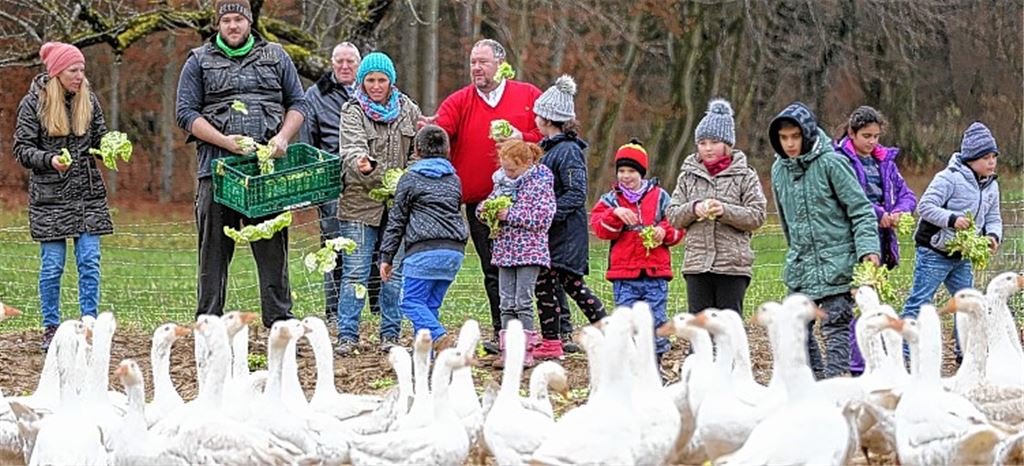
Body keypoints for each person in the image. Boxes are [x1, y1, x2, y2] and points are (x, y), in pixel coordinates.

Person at [176, 0, 306, 329]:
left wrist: (283, 138)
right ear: (218, 24)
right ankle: (208, 325)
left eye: (238, 19)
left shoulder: (276, 55)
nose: (233, 26)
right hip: (217, 171)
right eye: (226, 20)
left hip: (265, 174)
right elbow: (185, 113)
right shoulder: (198, 60)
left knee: (274, 253)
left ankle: (279, 323)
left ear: (249, 21)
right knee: (213, 254)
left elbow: (298, 103)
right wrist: (224, 141)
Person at [424, 39, 544, 354]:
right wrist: (426, 130)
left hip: (526, 200)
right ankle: (502, 331)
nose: (476, 68)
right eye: (473, 62)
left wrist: (522, 137)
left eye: (483, 62)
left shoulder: (528, 96)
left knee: (534, 267)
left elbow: (548, 134)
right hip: (482, 204)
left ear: (500, 64)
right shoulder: (459, 101)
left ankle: (549, 333)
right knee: (494, 268)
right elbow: (439, 133)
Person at [768, 102, 880, 379]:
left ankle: (835, 385)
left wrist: (868, 250)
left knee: (835, 328)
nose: (789, 144)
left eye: (795, 137)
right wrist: (796, 253)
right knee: (794, 327)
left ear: (806, 134)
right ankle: (815, 381)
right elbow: (786, 223)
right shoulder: (779, 170)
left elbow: (861, 210)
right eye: (783, 138)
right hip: (802, 267)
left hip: (837, 264)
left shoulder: (832, 163)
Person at [13, 42, 113, 350]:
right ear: (57, 73)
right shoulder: (34, 103)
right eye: (73, 70)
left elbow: (100, 137)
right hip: (50, 198)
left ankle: (89, 325)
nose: (80, 76)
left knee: (90, 262)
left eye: (82, 70)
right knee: (52, 266)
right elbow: (22, 149)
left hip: (87, 195)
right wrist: (50, 160)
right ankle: (51, 327)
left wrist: (110, 146)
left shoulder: (89, 100)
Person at [336, 51, 422, 356]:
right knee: (355, 271)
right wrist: (363, 164)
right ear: (362, 81)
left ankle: (390, 334)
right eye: (370, 80)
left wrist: (405, 181)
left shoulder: (408, 109)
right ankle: (347, 335)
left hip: (398, 206)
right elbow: (351, 150)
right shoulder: (352, 111)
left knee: (393, 272)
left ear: (391, 81)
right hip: (359, 203)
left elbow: (417, 153)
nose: (375, 86)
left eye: (381, 80)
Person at [901, 122, 1002, 356]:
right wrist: (952, 220)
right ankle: (904, 353)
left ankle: (965, 353)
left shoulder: (992, 186)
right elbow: (925, 206)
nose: (991, 162)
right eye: (985, 157)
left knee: (968, 304)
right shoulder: (948, 178)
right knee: (920, 300)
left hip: (962, 255)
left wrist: (992, 235)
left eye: (994, 157)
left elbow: (993, 217)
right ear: (970, 159)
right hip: (934, 251)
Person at [834, 105, 917, 375]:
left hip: (881, 240)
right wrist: (878, 213)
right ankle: (858, 364)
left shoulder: (886, 163)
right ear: (852, 133)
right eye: (866, 136)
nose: (871, 142)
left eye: (876, 136)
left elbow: (907, 194)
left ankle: (875, 359)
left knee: (873, 300)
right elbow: (848, 198)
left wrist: (899, 212)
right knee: (858, 302)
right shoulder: (840, 161)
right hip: (852, 239)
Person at [590, 140, 684, 376]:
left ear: (641, 172)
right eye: (621, 170)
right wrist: (616, 214)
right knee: (627, 320)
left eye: (631, 171)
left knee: (656, 320)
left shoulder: (660, 197)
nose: (626, 176)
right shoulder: (611, 201)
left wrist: (663, 231)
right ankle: (630, 369)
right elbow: (600, 228)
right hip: (624, 275)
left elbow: (676, 223)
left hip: (655, 273)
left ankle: (654, 367)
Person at [531, 75, 608, 360]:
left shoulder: (568, 152)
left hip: (565, 235)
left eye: (538, 114)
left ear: (548, 118)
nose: (535, 118)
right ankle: (552, 342)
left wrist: (547, 214)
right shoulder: (549, 149)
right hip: (552, 234)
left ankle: (609, 332)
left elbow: (576, 193)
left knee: (572, 285)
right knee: (546, 285)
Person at [667, 99, 766, 317]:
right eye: (702, 143)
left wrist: (724, 211)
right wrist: (694, 209)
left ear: (727, 144)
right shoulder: (687, 176)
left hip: (733, 267)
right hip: (697, 266)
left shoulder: (745, 175)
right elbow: (673, 215)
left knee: (728, 327)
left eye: (714, 142)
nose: (708, 148)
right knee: (699, 327)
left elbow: (757, 215)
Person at [378, 125, 468, 352]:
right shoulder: (454, 178)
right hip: (453, 251)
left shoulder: (410, 179)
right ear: (447, 150)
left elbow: (397, 220)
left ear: (416, 150)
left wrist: (387, 256)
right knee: (429, 306)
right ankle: (425, 357)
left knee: (410, 302)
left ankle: (439, 336)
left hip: (424, 250)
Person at [299, 41, 364, 325]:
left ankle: (374, 311)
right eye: (340, 61)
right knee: (334, 247)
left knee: (372, 247)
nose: (345, 66)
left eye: (351, 62)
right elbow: (308, 142)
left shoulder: (371, 89)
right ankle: (334, 312)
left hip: (367, 179)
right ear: (332, 63)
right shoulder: (316, 95)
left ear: (359, 64)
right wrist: (316, 185)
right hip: (332, 182)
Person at [476, 140, 556, 368]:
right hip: (505, 250)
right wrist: (485, 211)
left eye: (512, 170)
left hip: (530, 251)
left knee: (523, 301)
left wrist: (509, 215)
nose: (508, 174)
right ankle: (507, 351)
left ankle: (526, 351)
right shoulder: (502, 183)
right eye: (505, 169)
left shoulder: (541, 182)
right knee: (506, 303)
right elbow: (487, 204)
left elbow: (543, 218)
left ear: (526, 163)